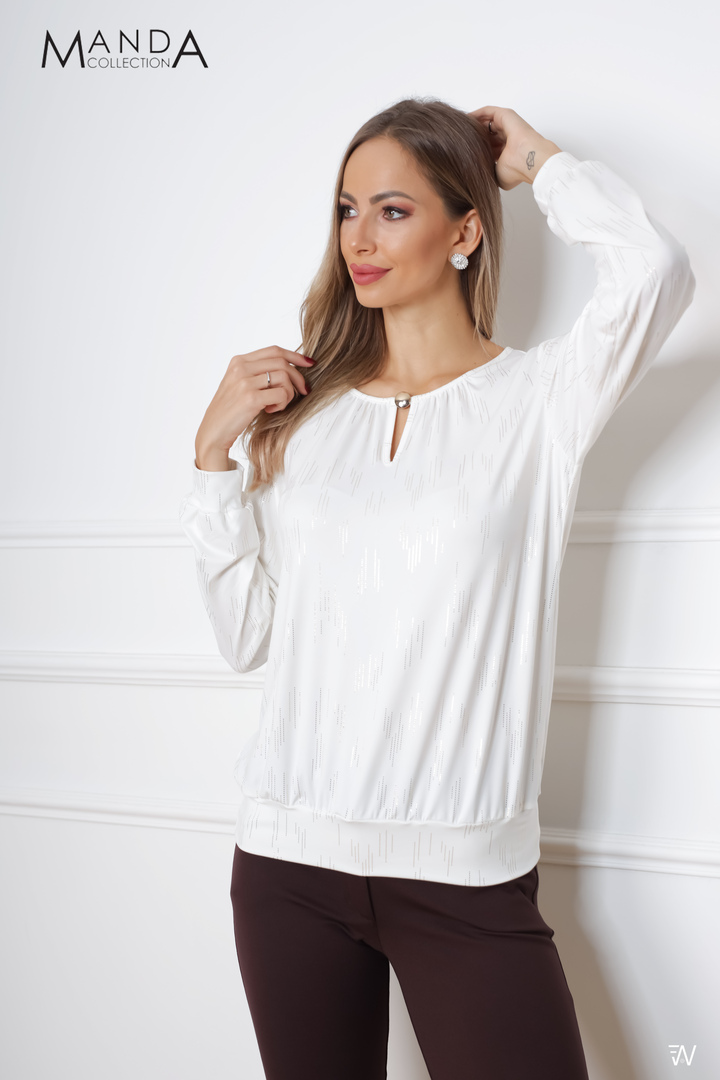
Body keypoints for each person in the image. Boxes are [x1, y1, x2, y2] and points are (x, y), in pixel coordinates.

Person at [179, 98, 695, 1080]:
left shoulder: (540, 402)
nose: (358, 239)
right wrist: (212, 459)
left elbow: (656, 271)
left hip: (465, 878)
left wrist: (535, 160)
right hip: (287, 870)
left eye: (392, 210)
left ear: (465, 232)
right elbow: (246, 638)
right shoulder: (304, 420)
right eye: (347, 209)